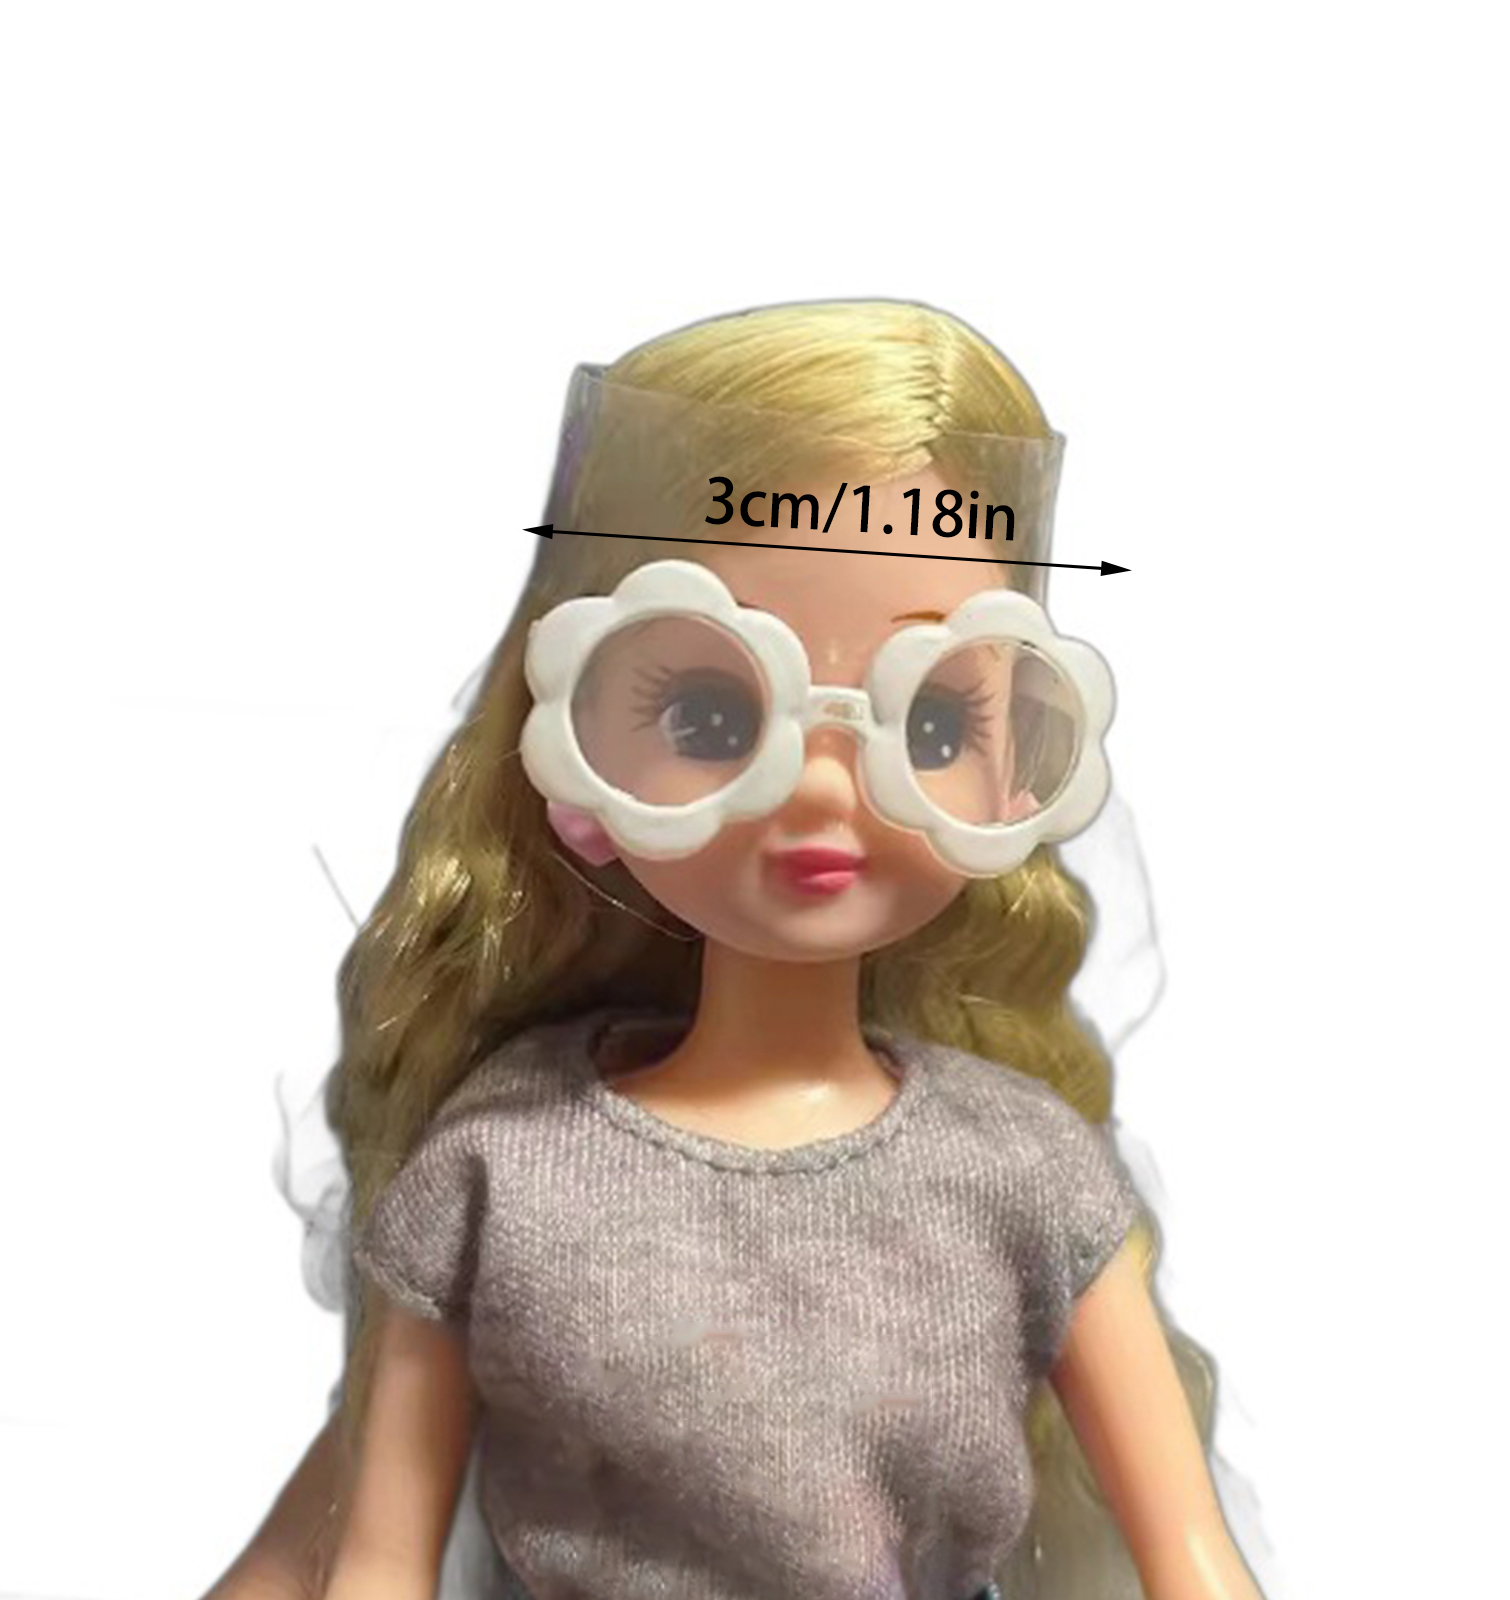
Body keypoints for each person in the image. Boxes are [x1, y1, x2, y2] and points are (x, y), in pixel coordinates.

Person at [203, 300, 1264, 1600]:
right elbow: (378, 1558)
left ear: (1022, 765)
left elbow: (1191, 1560)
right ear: (574, 739)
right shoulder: (499, 1170)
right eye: (713, 711)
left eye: (932, 724)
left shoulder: (1025, 1177)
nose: (821, 789)